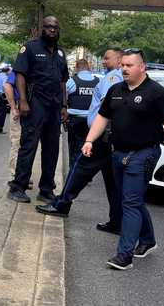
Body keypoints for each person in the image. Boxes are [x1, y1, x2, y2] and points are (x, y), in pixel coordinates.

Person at [83, 48, 164, 272]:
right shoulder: (115, 90)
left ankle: (125, 255)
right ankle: (148, 239)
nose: (124, 69)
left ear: (142, 67)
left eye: (129, 65)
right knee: (130, 199)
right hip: (118, 152)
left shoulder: (157, 93)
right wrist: (90, 140)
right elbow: (103, 118)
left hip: (143, 153)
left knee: (130, 202)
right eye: (122, 65)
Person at [35, 49, 124, 234]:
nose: (104, 61)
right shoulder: (106, 78)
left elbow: (107, 107)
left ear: (119, 59)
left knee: (79, 168)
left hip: (101, 136)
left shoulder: (112, 79)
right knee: (112, 182)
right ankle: (117, 220)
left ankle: (62, 204)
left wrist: (93, 137)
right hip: (109, 137)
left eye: (107, 58)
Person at [7, 15, 69, 205]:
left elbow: (62, 81)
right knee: (29, 146)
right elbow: (20, 75)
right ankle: (18, 187)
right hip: (35, 105)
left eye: (55, 28)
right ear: (42, 28)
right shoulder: (30, 47)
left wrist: (64, 106)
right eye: (49, 27)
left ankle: (46, 190)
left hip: (54, 106)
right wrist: (23, 101)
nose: (52, 30)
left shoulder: (60, 53)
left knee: (52, 149)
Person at [0, 64, 12, 133]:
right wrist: (7, 96)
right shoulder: (5, 77)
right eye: (10, 71)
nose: (10, 72)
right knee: (2, 113)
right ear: (7, 71)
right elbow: (5, 86)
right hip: (1, 95)